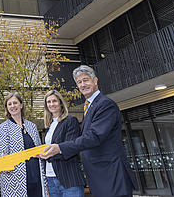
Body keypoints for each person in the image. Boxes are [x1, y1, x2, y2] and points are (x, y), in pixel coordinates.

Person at [41, 65, 138, 196]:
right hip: (100, 176)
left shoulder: (105, 104)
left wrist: (59, 148)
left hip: (111, 175)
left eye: (86, 80)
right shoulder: (90, 106)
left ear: (95, 80)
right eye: (79, 82)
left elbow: (94, 137)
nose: (83, 85)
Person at [0, 92, 46, 197]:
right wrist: (4, 164)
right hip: (15, 179)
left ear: (21, 105)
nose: (13, 106)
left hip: (36, 176)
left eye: (15, 103)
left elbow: (39, 149)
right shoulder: (3, 127)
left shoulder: (32, 126)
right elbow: (2, 153)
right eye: (9, 104)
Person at [40, 90, 86, 196]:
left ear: (60, 103)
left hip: (69, 178)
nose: (51, 104)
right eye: (49, 102)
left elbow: (71, 148)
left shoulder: (70, 121)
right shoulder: (49, 126)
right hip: (50, 179)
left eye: (54, 101)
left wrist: (46, 156)